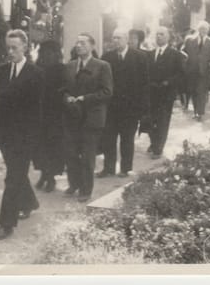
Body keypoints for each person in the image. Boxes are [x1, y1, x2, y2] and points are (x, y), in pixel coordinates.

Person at [0, 29, 44, 241]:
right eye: (8, 48)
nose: (10, 52)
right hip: (5, 137)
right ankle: (30, 202)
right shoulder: (1, 71)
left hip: (25, 137)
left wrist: (34, 139)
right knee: (16, 173)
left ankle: (6, 224)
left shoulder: (36, 73)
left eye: (15, 48)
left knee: (12, 179)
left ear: (25, 48)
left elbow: (37, 111)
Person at [61, 33, 113, 202]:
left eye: (83, 43)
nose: (78, 45)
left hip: (92, 117)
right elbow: (63, 89)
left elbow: (107, 92)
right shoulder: (69, 66)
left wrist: (85, 98)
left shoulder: (102, 66)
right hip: (72, 116)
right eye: (77, 42)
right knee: (70, 153)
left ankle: (86, 190)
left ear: (92, 46)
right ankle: (74, 183)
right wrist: (67, 97)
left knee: (87, 156)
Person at [98, 29, 149, 178]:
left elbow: (144, 84)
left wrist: (143, 108)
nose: (116, 41)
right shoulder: (107, 57)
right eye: (114, 38)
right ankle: (108, 168)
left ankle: (125, 168)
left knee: (127, 139)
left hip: (130, 107)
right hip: (111, 107)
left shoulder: (140, 57)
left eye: (119, 38)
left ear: (126, 39)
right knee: (109, 138)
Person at [33, 40, 66, 192]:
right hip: (39, 113)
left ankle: (51, 177)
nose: (47, 55)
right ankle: (44, 174)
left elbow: (65, 89)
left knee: (53, 146)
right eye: (44, 52)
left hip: (55, 114)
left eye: (50, 52)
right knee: (40, 147)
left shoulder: (61, 69)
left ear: (56, 54)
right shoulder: (36, 68)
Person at [147, 26, 184, 159]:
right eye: (157, 34)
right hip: (151, 92)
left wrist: (168, 82)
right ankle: (153, 142)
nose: (159, 37)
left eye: (162, 34)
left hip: (166, 93)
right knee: (150, 120)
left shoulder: (175, 54)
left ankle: (158, 148)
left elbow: (180, 74)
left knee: (162, 121)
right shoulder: (150, 54)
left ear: (168, 37)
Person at [181, 21, 210, 121]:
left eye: (205, 29)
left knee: (202, 92)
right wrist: (186, 58)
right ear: (198, 29)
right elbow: (182, 50)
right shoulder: (189, 40)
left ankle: (200, 113)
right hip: (192, 70)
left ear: (208, 31)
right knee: (194, 91)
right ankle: (196, 111)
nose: (203, 31)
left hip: (205, 71)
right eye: (201, 29)